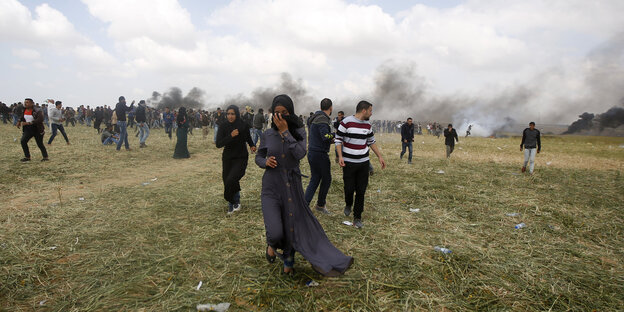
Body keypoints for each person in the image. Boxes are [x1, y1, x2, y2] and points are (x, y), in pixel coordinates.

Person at [256, 94, 353, 277]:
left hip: (292, 185)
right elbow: (258, 156)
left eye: (285, 113)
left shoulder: (299, 131)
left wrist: (285, 132)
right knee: (276, 231)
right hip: (271, 187)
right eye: (277, 113)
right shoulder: (267, 134)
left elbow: (300, 153)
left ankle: (288, 263)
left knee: (293, 224)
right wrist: (264, 161)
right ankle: (272, 244)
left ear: (290, 113)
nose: (280, 117)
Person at [335, 101, 386, 229]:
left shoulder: (368, 125)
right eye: (370, 110)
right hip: (349, 163)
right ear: (364, 110)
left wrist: (379, 156)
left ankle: (357, 217)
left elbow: (371, 141)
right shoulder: (346, 122)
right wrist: (340, 156)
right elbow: (338, 140)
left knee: (361, 191)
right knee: (349, 188)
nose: (371, 113)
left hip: (363, 163)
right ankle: (348, 203)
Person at [216, 105, 256, 214]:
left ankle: (233, 201)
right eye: (228, 114)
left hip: (241, 156)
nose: (230, 116)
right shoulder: (223, 126)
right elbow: (218, 144)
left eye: (232, 114)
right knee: (228, 180)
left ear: (237, 114)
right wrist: (231, 136)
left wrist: (252, 145)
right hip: (228, 157)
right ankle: (232, 202)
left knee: (232, 179)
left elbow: (248, 138)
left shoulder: (243, 125)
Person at [304, 98, 334, 215]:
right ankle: (320, 205)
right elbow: (325, 136)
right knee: (326, 179)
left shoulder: (314, 117)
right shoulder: (322, 119)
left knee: (315, 178)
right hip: (320, 153)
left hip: (312, 151)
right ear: (330, 108)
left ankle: (305, 205)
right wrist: (336, 135)